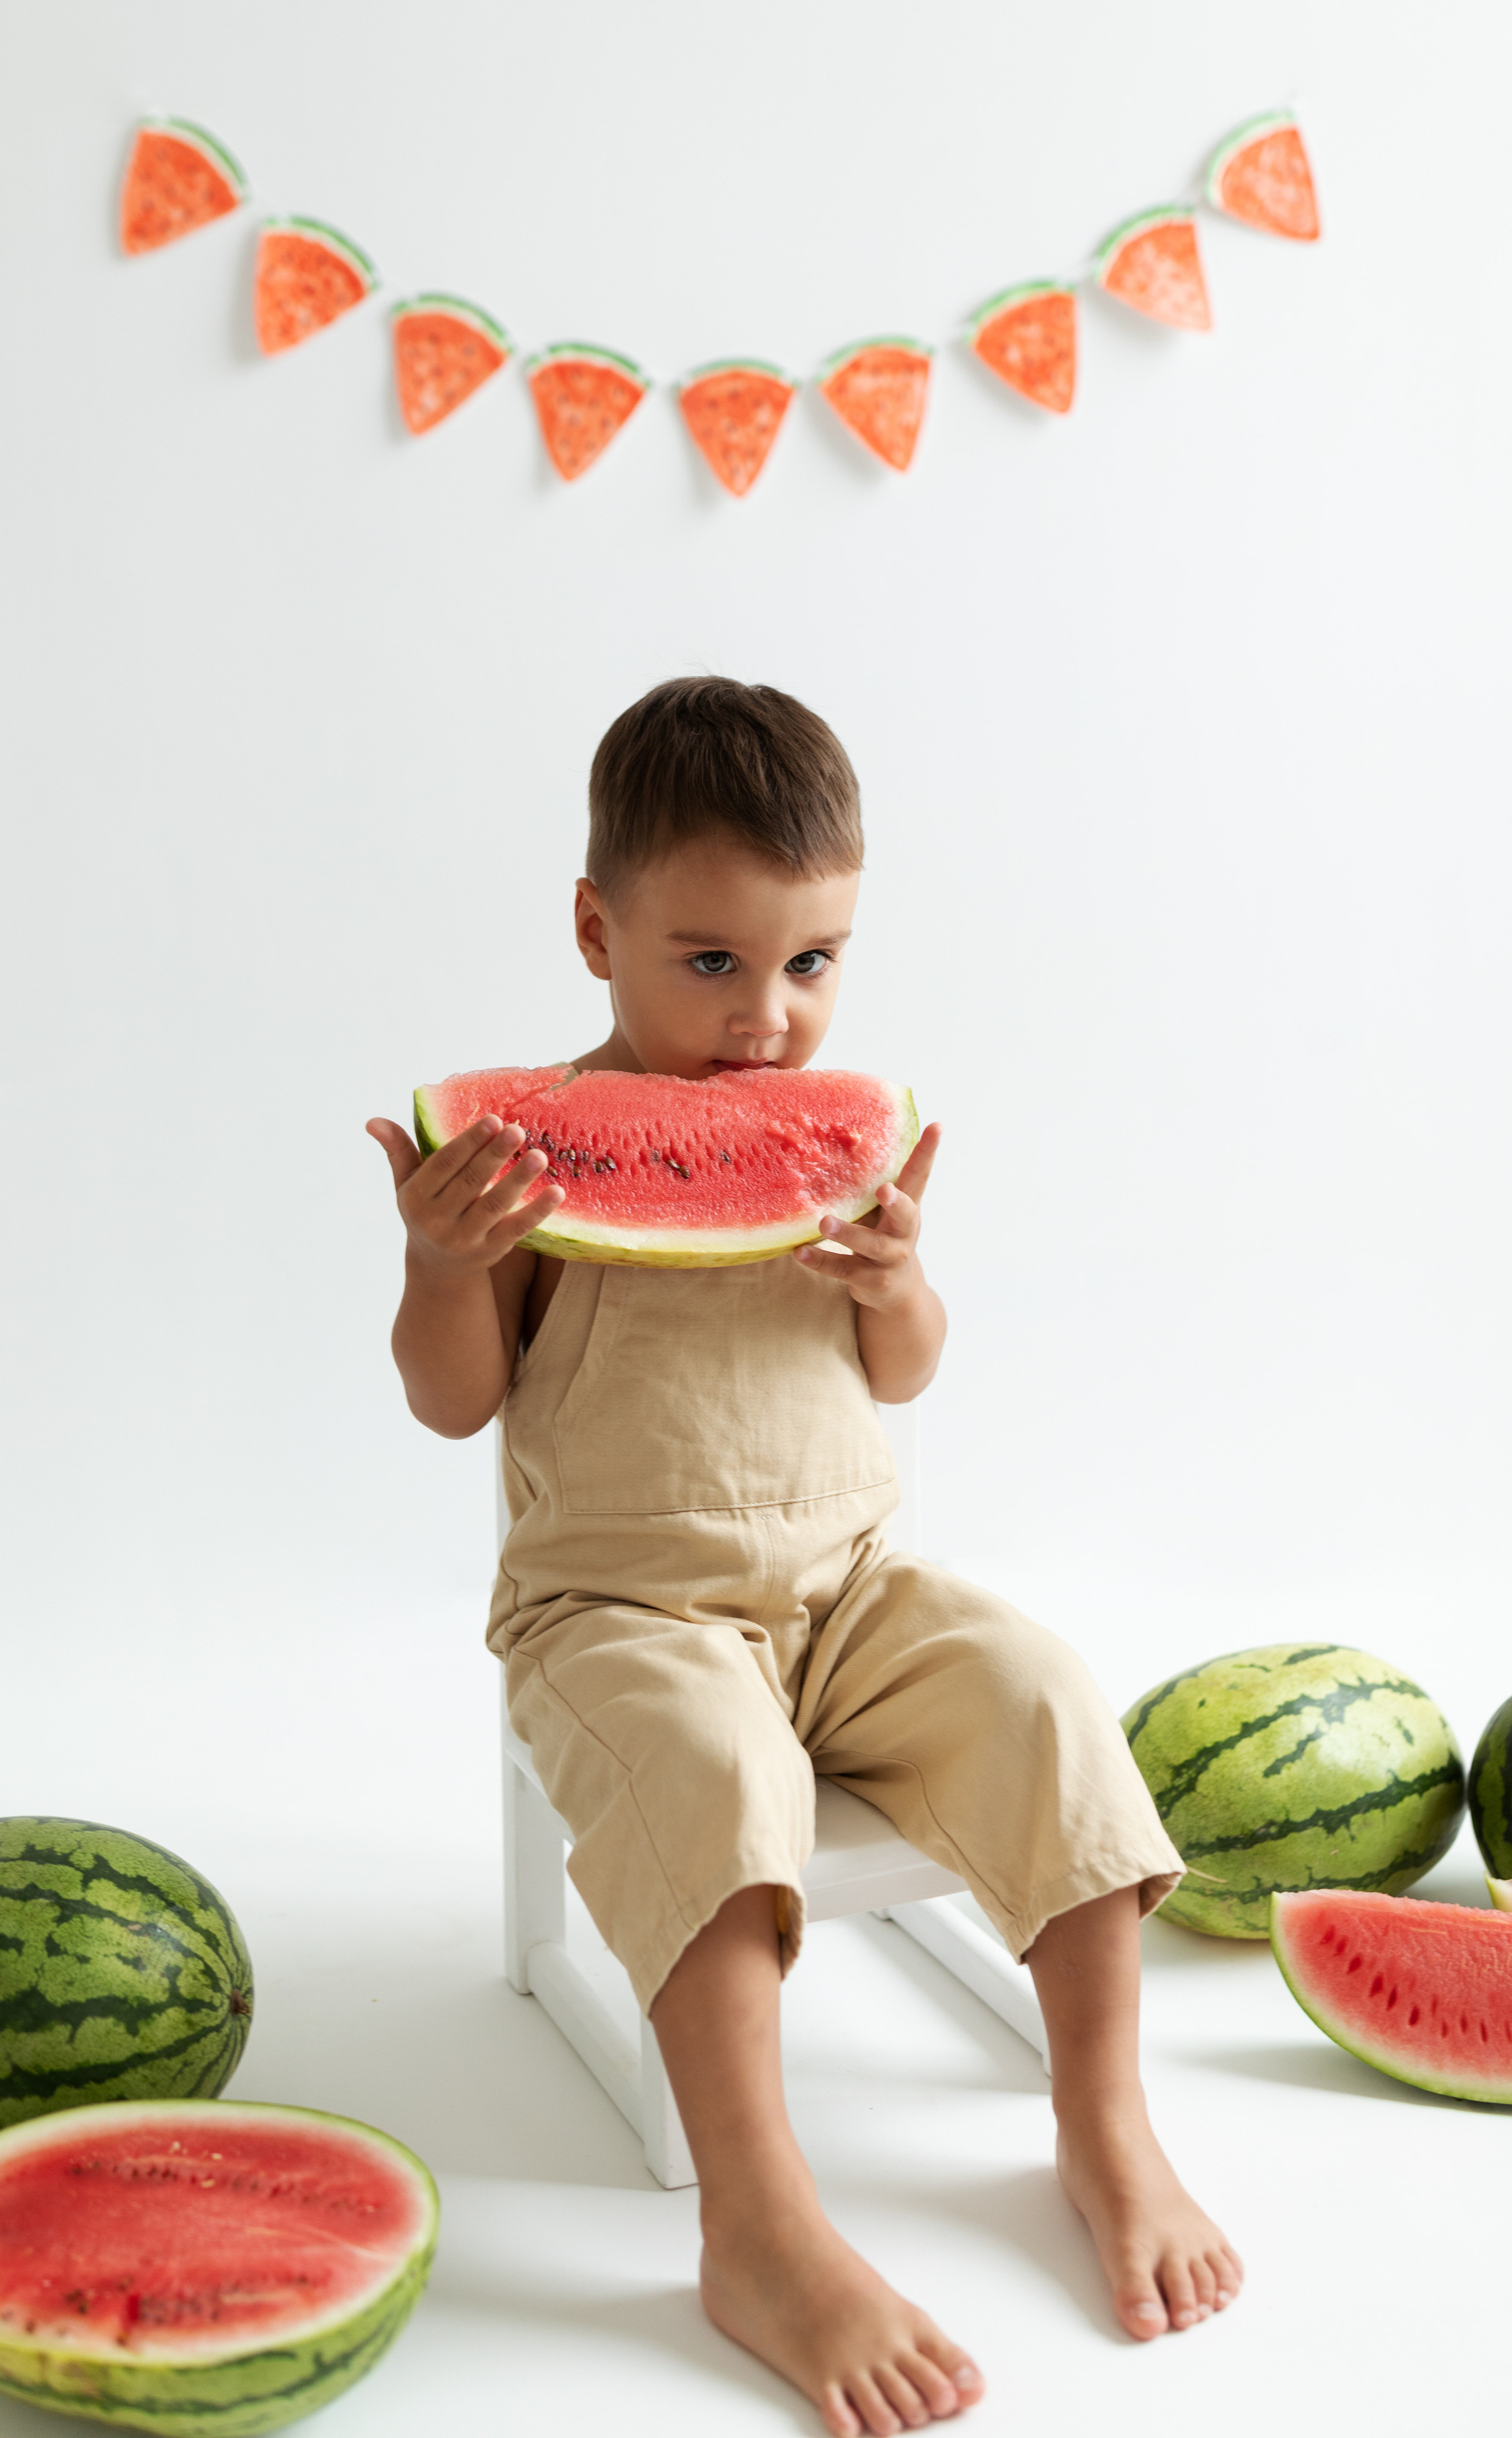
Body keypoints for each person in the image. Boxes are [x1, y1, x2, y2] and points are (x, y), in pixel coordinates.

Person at [368, 677, 1242, 2436]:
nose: (771, 1022)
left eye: (816, 963)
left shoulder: (838, 1145)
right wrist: (445, 1270)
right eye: (712, 965)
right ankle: (760, 2226)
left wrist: (901, 1282)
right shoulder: (529, 1151)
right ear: (598, 930)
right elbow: (452, 1408)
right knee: (704, 1771)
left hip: (851, 1597)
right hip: (619, 1611)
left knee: (1047, 1695)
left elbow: (901, 1371)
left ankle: (1104, 2118)